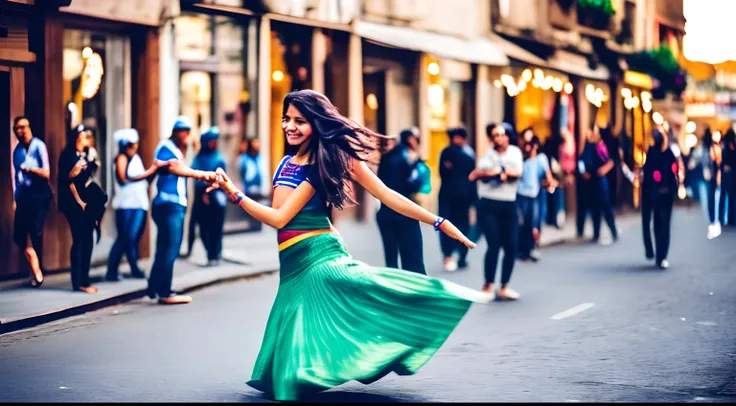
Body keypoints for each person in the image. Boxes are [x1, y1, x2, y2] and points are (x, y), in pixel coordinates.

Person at [204, 89, 489, 401]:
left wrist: (437, 221)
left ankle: (431, 309)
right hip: (293, 263)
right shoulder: (286, 162)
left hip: (318, 258)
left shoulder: (322, 165)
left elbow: (282, 218)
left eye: (300, 120)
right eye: (286, 119)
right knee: (286, 366)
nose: (290, 126)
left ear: (316, 123)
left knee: (371, 295)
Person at [146, 116, 218, 304]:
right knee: (172, 247)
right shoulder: (167, 148)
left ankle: (153, 286)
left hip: (170, 204)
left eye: (188, 131)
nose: (186, 134)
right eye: (182, 131)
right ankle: (165, 291)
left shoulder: (176, 149)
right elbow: (173, 168)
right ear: (175, 132)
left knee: (164, 246)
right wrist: (201, 175)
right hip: (170, 204)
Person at [469, 123, 524, 300]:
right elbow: (477, 174)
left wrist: (499, 172)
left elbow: (517, 172)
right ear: (492, 138)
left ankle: (504, 286)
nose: (499, 138)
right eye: (496, 135)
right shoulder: (487, 155)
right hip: (488, 204)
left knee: (511, 245)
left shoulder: (515, 152)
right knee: (494, 244)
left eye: (502, 134)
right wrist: (497, 172)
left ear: (508, 136)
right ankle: (488, 285)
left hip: (508, 203)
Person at [106, 129, 161, 281]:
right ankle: (117, 270)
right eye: (131, 145)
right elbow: (124, 178)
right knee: (126, 238)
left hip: (139, 203)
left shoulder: (136, 159)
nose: (134, 148)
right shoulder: (121, 158)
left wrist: (153, 173)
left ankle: (130, 268)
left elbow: (143, 181)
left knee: (132, 238)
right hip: (125, 205)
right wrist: (149, 171)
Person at [375, 127, 427, 274]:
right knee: (413, 260)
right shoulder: (409, 157)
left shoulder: (387, 157)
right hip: (404, 211)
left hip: (385, 212)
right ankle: (416, 294)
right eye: (416, 139)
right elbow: (412, 184)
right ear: (411, 139)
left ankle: (393, 293)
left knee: (391, 260)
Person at [58, 124, 100, 293]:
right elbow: (65, 180)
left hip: (85, 202)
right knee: (80, 239)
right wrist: (73, 173)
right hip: (72, 203)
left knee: (87, 240)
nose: (86, 140)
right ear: (77, 138)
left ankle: (84, 280)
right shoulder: (67, 155)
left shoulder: (85, 156)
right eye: (83, 137)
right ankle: (79, 282)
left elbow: (90, 176)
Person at [12, 116, 53, 287]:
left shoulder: (39, 146)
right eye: (18, 128)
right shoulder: (17, 151)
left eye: (24, 127)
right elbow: (16, 177)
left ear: (29, 127)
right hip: (24, 196)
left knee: (36, 231)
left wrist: (31, 170)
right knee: (19, 235)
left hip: (39, 194)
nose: (21, 131)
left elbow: (47, 172)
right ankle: (36, 265)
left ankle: (37, 271)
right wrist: (15, 198)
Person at [640, 128, 681, 269]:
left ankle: (657, 254)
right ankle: (661, 255)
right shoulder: (667, 154)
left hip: (657, 194)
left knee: (656, 224)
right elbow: (674, 173)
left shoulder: (653, 154)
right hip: (663, 195)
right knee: (664, 225)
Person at [187, 126, 228, 266]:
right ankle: (210, 253)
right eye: (212, 141)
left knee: (216, 228)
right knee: (203, 228)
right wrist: (202, 193)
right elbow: (194, 173)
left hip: (215, 198)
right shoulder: (199, 157)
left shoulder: (218, 158)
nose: (214, 143)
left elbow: (221, 179)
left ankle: (216, 253)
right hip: (201, 198)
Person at [438, 126, 476, 272]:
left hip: (457, 198)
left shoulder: (463, 153)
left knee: (456, 227)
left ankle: (457, 256)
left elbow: (471, 178)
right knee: (453, 226)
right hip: (454, 198)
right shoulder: (463, 154)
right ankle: (453, 256)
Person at [517, 134, 558, 262]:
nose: (527, 147)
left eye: (529, 144)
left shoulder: (541, 159)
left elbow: (547, 175)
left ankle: (531, 248)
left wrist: (550, 182)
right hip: (520, 194)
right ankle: (521, 250)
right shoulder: (521, 159)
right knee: (521, 223)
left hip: (534, 194)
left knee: (533, 222)